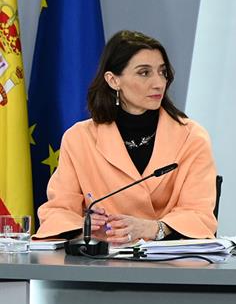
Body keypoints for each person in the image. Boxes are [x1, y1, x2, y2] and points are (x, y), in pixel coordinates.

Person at [36, 30, 218, 243]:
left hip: (171, 266)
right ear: (113, 80)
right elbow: (58, 210)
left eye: (162, 72)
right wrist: (85, 229)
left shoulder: (192, 137)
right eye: (144, 73)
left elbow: (200, 213)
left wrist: (154, 228)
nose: (159, 83)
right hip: (101, 265)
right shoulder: (79, 138)